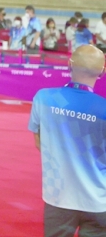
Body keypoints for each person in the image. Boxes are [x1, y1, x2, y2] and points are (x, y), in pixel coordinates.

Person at [28, 44, 106, 237]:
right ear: (102, 72)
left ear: (69, 65)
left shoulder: (44, 97)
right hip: (98, 200)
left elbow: (39, 142)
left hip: (58, 197)